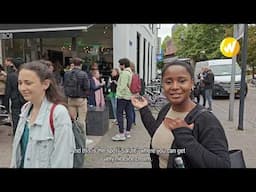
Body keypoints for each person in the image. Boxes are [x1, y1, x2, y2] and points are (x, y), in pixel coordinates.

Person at [131, 60, 230, 168]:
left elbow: (222, 164)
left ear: (192, 83)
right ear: (163, 85)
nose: (174, 87)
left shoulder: (206, 120)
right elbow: (158, 134)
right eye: (168, 82)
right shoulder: (166, 109)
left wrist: (184, 136)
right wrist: (144, 109)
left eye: (182, 81)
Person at [10, 61, 75, 168]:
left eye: (28, 83)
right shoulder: (25, 109)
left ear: (45, 84)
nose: (22, 88)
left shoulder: (58, 113)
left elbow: (63, 161)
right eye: (20, 83)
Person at [112, 58, 133, 141]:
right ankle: (127, 132)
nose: (119, 66)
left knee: (119, 114)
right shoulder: (131, 73)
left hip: (122, 97)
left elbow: (122, 86)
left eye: (120, 64)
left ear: (123, 65)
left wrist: (118, 95)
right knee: (129, 114)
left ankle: (121, 133)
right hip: (129, 96)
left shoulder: (124, 73)